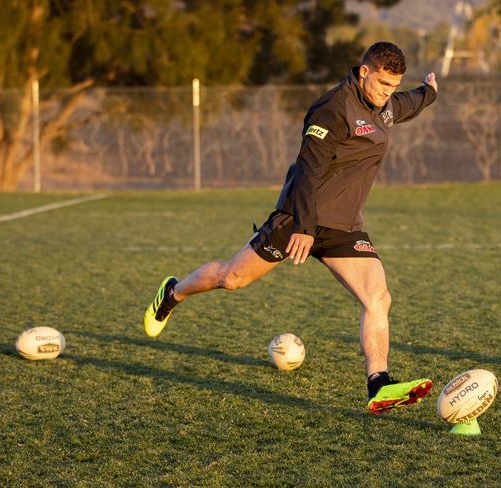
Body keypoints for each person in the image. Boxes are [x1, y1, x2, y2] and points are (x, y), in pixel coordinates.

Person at [144, 42, 438, 414]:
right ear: (364, 71)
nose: (387, 93)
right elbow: (310, 169)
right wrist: (304, 226)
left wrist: (429, 92)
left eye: (393, 86)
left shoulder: (386, 105)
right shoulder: (332, 109)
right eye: (382, 84)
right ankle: (173, 293)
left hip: (343, 226)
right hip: (298, 219)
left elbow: (408, 104)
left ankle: (378, 384)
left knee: (378, 298)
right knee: (231, 278)